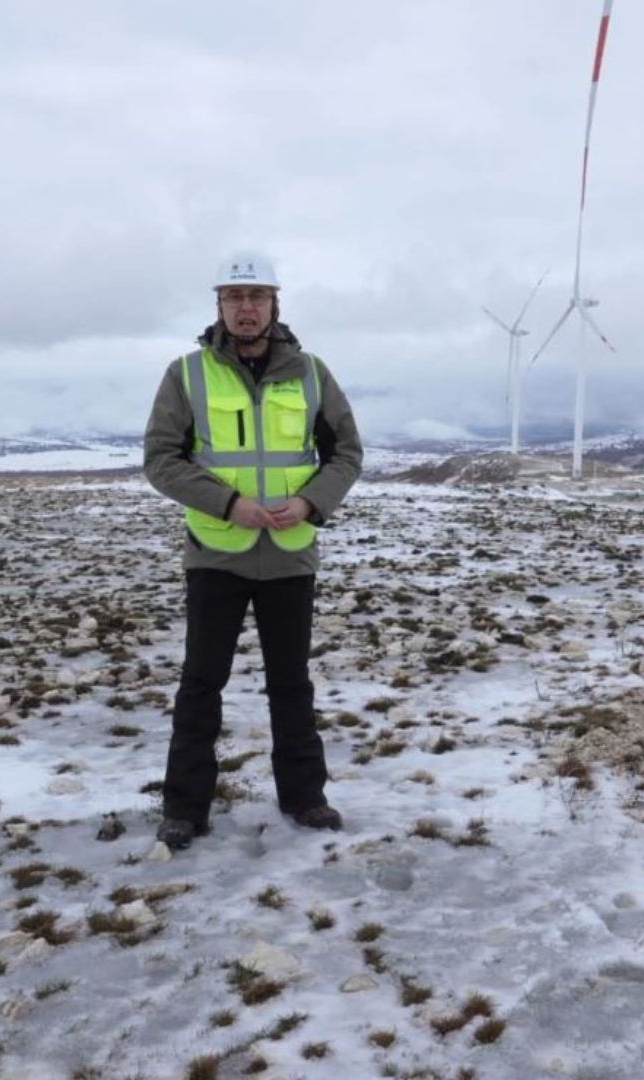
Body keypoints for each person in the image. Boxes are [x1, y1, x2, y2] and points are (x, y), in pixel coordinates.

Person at [141, 250, 363, 850]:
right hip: (216, 552)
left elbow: (346, 453)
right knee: (201, 683)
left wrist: (312, 502)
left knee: (291, 684)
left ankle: (305, 798)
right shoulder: (186, 374)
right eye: (235, 297)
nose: (246, 308)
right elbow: (161, 459)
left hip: (290, 554)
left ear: (274, 304)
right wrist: (227, 503)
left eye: (257, 296)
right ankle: (185, 808)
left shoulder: (312, 373)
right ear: (219, 305)